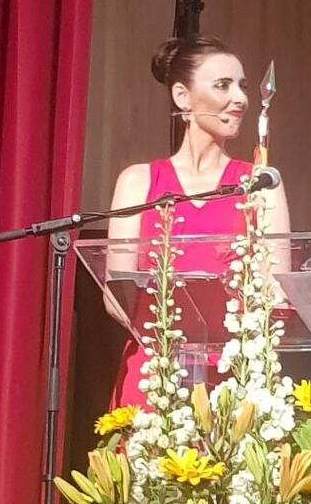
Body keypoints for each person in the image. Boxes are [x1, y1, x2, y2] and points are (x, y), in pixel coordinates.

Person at [107, 34, 290, 406]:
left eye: (241, 86)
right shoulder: (138, 181)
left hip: (231, 381)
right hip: (153, 378)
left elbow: (276, 294)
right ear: (182, 97)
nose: (239, 98)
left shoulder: (260, 183)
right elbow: (116, 295)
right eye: (222, 85)